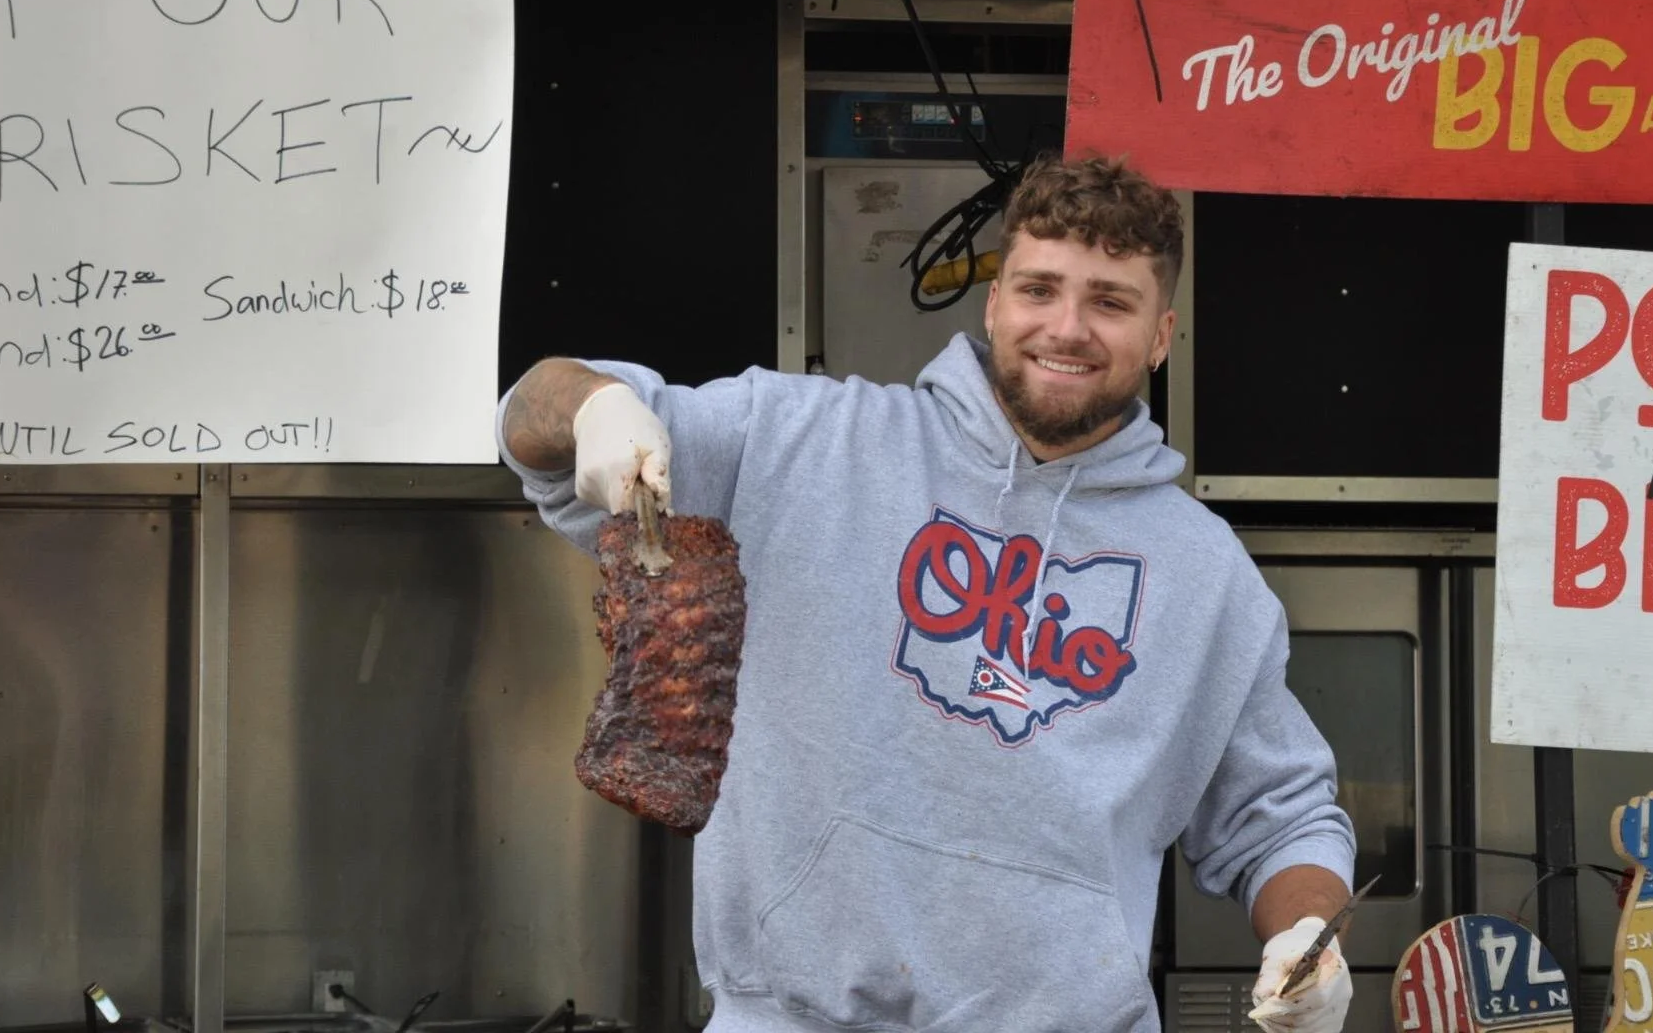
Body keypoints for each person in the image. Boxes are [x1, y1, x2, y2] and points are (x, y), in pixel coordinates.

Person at [496, 153, 1357, 1033]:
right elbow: (535, 407)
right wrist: (597, 407)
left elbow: (1282, 818)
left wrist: (1307, 940)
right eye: (1039, 290)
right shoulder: (800, 440)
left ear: (1163, 333)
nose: (1067, 328)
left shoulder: (1209, 576)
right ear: (994, 304)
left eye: (1110, 301)